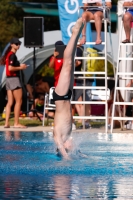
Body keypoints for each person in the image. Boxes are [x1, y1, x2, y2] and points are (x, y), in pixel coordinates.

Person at [53, 17, 84, 159]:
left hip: (60, 96)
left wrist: (66, 158)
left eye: (68, 148)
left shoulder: (58, 138)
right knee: (71, 65)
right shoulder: (68, 136)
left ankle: (74, 33)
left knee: (68, 64)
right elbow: (79, 153)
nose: (72, 144)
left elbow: (62, 152)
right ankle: (76, 37)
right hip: (68, 95)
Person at [0, 37, 28, 128]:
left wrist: (19, 65)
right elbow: (10, 68)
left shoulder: (8, 55)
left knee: (10, 102)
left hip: (8, 79)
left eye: (19, 44)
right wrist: (21, 67)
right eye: (16, 44)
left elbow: (10, 66)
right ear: (11, 44)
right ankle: (16, 123)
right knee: (18, 101)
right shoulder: (12, 55)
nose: (18, 45)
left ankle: (6, 123)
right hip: (14, 79)